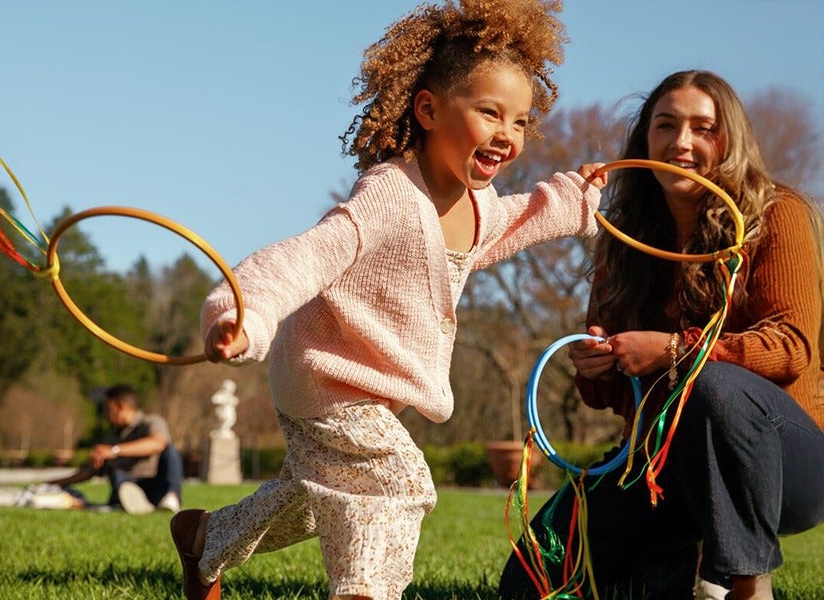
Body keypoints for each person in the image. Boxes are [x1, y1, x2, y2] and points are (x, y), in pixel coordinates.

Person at [168, 1, 608, 599]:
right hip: (326, 376)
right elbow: (308, 255)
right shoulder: (390, 195)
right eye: (489, 112)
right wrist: (244, 313)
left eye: (521, 121)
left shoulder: (476, 205)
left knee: (316, 499)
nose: (507, 135)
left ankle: (204, 538)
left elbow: (517, 219)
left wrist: (575, 198)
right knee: (398, 483)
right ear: (428, 109)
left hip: (368, 387)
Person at [498, 70, 824, 600]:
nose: (682, 142)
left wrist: (672, 351)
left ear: (731, 139)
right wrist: (599, 367)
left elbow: (791, 348)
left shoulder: (776, 213)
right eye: (666, 125)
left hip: (789, 464)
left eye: (703, 128)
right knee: (528, 580)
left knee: (712, 386)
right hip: (660, 465)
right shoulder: (623, 237)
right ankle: (683, 566)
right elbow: (609, 396)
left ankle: (748, 583)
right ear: (645, 139)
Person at [48, 383, 183, 514]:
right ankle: (131, 502)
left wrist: (115, 451)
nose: (107, 414)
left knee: (170, 450)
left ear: (121, 407)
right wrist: (52, 483)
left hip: (154, 484)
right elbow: (89, 471)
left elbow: (158, 443)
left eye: (109, 409)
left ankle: (171, 497)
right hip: (125, 486)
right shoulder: (111, 438)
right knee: (118, 475)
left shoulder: (151, 422)